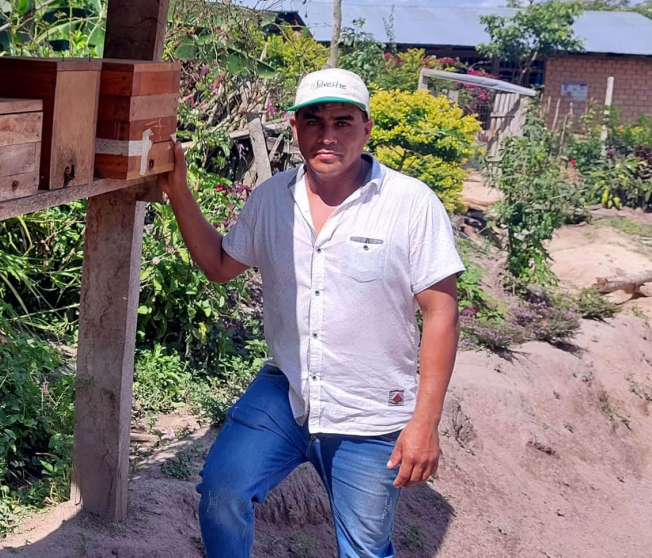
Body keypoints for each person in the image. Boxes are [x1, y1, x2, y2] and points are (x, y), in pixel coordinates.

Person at [157, 68, 463, 558]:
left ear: (366, 129)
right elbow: (219, 265)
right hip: (289, 390)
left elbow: (441, 314)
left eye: (343, 122)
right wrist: (178, 190)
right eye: (314, 121)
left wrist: (425, 422)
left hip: (370, 410)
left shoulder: (410, 204)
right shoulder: (272, 198)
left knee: (363, 550)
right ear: (295, 128)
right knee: (222, 490)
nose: (328, 135)